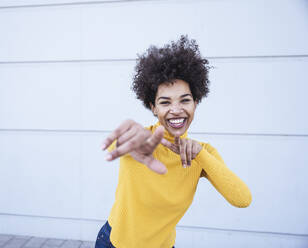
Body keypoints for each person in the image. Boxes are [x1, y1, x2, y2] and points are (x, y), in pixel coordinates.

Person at [95, 35, 252, 248]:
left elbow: (242, 199)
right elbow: (117, 145)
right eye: (165, 102)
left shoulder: (203, 154)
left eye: (185, 100)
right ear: (153, 107)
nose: (176, 109)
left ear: (196, 102)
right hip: (114, 243)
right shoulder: (143, 140)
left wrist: (200, 155)